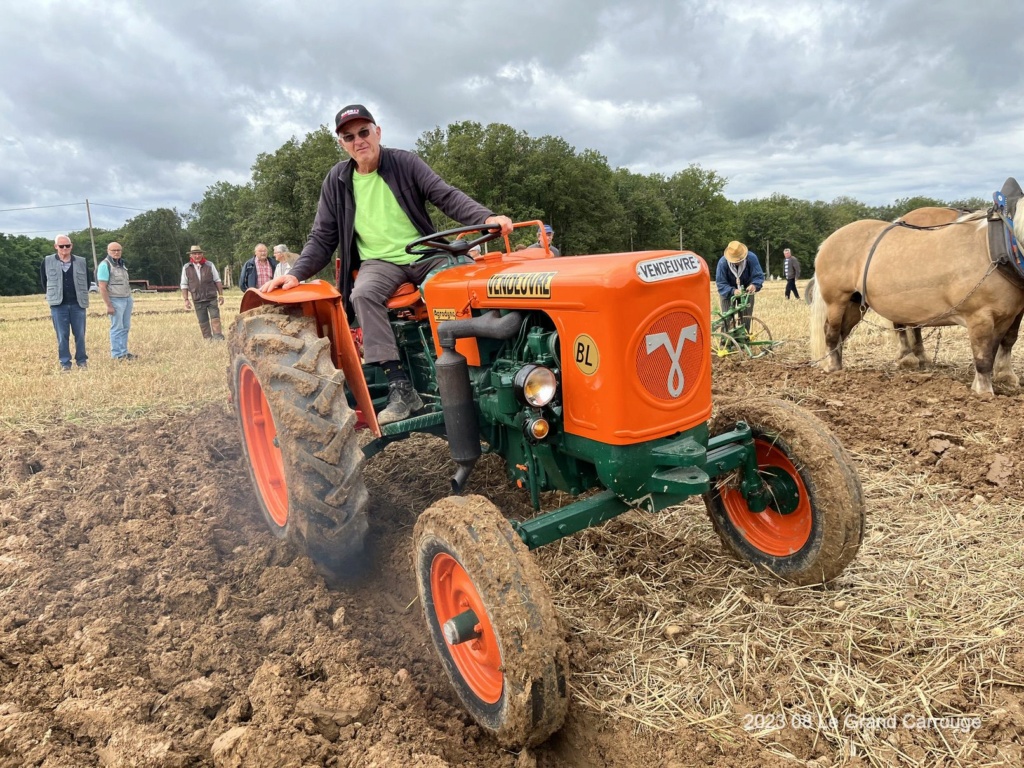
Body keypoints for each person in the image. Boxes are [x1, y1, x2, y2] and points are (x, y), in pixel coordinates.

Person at [261, 104, 513, 425]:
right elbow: (322, 238)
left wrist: (485, 218)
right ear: (342, 143)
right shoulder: (337, 181)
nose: (359, 141)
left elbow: (446, 196)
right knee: (362, 294)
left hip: (426, 253)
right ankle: (400, 386)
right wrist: (296, 274)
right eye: (349, 136)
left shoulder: (404, 163)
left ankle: (474, 364)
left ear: (377, 132)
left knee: (460, 283)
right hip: (379, 262)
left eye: (364, 132)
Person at [40, 234, 90, 371]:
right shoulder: (47, 261)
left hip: (77, 304)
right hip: (58, 305)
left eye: (67, 245)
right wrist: (54, 295)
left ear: (71, 246)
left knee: (80, 334)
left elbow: (86, 281)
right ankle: (65, 363)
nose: (64, 248)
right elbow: (44, 281)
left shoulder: (81, 261)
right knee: (62, 335)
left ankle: (82, 361)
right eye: (61, 246)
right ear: (56, 246)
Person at [97, 241, 136, 360]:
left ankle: (124, 352)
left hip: (126, 298)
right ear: (108, 251)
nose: (116, 252)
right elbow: (102, 287)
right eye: (113, 250)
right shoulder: (105, 265)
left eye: (118, 250)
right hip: (115, 300)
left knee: (125, 327)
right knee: (117, 327)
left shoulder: (122, 264)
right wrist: (109, 305)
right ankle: (117, 354)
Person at [715, 240, 764, 332]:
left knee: (746, 319)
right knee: (727, 318)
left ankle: (743, 339)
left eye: (740, 260)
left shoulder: (751, 258)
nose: (737, 262)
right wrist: (733, 291)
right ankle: (725, 341)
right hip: (728, 292)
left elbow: (758, 276)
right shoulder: (722, 263)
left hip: (746, 291)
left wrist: (754, 285)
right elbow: (721, 284)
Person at [180, 245, 226, 340]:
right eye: (195, 254)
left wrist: (221, 295)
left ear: (202, 254)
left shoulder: (210, 265)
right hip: (197, 299)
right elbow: (184, 285)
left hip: (211, 298)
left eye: (199, 253)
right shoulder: (186, 267)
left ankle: (218, 338)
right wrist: (186, 300)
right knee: (203, 321)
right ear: (191, 256)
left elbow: (217, 280)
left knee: (215, 318)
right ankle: (208, 339)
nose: (197, 256)